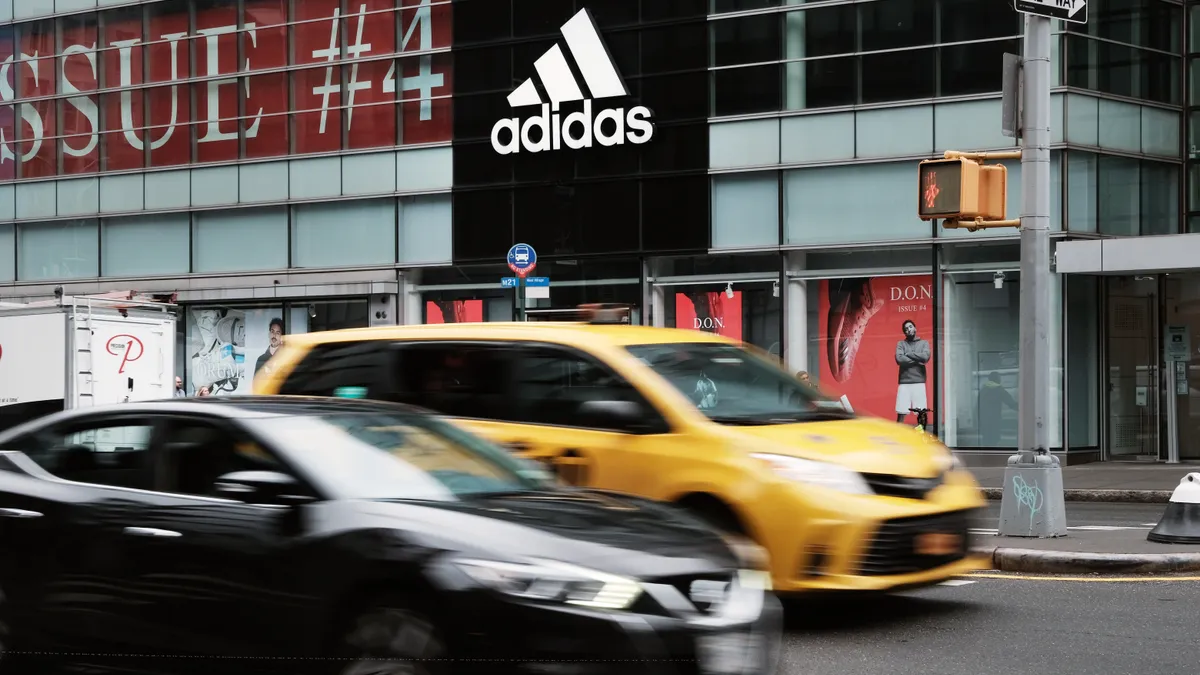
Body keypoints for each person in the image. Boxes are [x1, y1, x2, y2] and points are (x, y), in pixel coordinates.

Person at [895, 319, 931, 429]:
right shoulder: (901, 344)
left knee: (921, 413)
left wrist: (909, 354)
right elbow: (899, 359)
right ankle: (897, 435)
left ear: (915, 328)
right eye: (906, 329)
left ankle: (922, 435)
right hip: (904, 382)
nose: (908, 330)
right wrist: (917, 359)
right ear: (904, 332)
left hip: (919, 381)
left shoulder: (924, 343)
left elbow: (925, 357)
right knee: (901, 412)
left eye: (910, 327)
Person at [978, 371, 1018, 446]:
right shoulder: (999, 389)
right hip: (994, 419)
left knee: (986, 440)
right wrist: (1022, 409)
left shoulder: (983, 390)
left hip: (984, 419)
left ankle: (986, 456)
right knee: (994, 439)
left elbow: (977, 405)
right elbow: (1010, 402)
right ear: (998, 379)